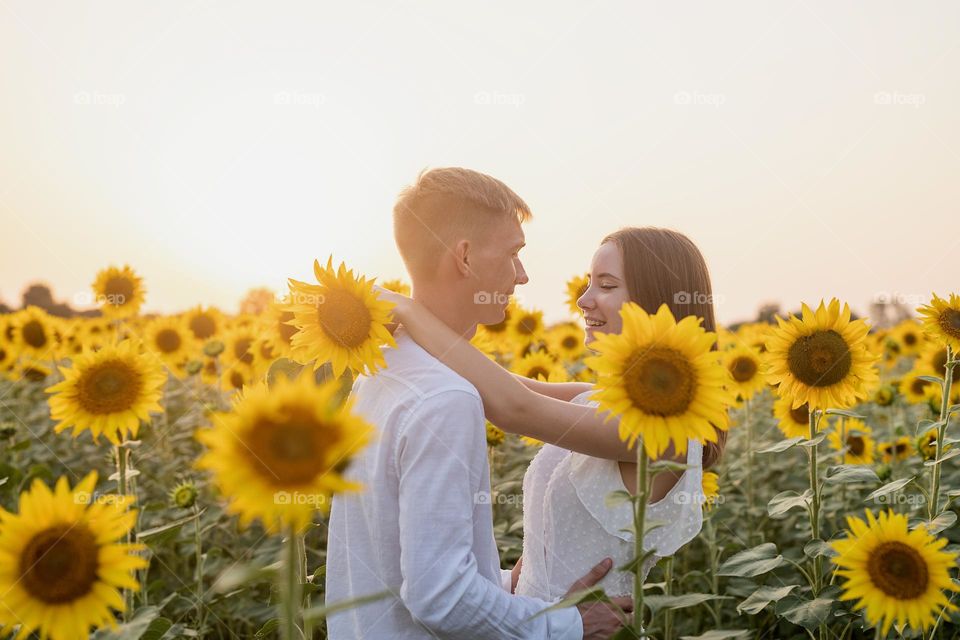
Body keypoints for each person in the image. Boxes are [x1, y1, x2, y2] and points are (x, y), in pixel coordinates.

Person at [325, 167, 632, 639]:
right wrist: (565, 624)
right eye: (513, 254)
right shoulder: (446, 398)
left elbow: (394, 551)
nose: (523, 275)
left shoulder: (378, 370)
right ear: (465, 257)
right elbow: (441, 596)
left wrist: (509, 581)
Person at [379, 226, 727, 603]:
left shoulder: (663, 426)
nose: (584, 300)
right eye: (589, 283)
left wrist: (407, 309)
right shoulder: (596, 400)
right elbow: (500, 384)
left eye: (606, 286)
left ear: (656, 303)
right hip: (543, 625)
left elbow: (513, 407)